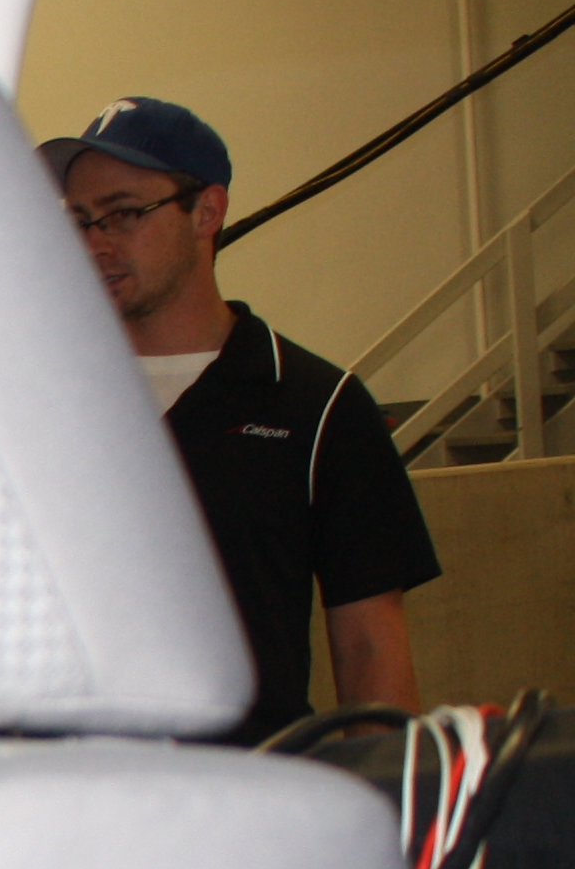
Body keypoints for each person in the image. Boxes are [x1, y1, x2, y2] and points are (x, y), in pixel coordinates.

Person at [44, 97, 437, 739]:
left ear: (208, 211)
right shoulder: (35, 402)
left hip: (249, 787)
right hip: (69, 787)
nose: (95, 243)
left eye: (124, 214)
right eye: (79, 220)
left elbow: (370, 649)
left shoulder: (317, 406)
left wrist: (392, 787)